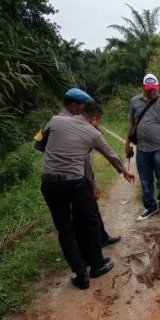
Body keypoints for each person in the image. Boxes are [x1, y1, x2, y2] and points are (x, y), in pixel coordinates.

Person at [40, 101, 135, 289]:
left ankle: (80, 273)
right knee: (90, 220)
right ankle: (97, 265)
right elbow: (110, 154)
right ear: (93, 118)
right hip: (75, 182)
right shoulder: (93, 133)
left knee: (65, 229)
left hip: (49, 182)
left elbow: (40, 142)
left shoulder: (54, 120)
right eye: (98, 121)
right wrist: (124, 171)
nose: (98, 124)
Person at [36, 88, 120, 245]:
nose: (86, 110)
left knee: (91, 209)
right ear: (74, 106)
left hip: (82, 171)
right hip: (72, 175)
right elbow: (38, 142)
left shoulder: (81, 120)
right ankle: (89, 249)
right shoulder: (57, 120)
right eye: (84, 106)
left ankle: (101, 237)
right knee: (81, 214)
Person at [125, 73, 160, 221]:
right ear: (143, 87)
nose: (152, 91)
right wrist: (127, 144)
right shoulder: (134, 102)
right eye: (149, 89)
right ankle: (150, 206)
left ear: (158, 87)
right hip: (141, 149)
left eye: (154, 89)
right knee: (145, 179)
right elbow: (131, 124)